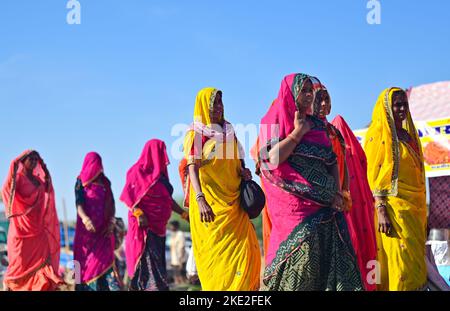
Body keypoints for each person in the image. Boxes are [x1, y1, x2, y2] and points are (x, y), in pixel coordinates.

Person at [257, 73, 363, 291]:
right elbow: (272, 160)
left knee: (327, 270)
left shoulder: (317, 124)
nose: (308, 95)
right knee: (301, 265)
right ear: (291, 92)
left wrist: (335, 192)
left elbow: (331, 160)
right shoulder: (270, 121)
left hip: (326, 208)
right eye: (303, 90)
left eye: (309, 90)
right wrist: (298, 131)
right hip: (294, 210)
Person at [182, 87, 261, 291]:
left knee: (247, 256)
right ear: (202, 107)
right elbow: (192, 167)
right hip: (211, 210)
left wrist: (244, 172)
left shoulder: (229, 130)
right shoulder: (196, 133)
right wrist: (200, 200)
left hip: (235, 206)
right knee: (218, 264)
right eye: (213, 103)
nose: (218, 107)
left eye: (220, 102)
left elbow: (237, 159)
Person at [313, 85, 378, 290]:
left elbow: (344, 171)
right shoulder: (309, 131)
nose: (324, 104)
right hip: (317, 207)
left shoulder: (335, 133)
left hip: (339, 205)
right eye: (319, 99)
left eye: (326, 99)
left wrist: (345, 193)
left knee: (347, 257)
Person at [365, 88, 427, 291]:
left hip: (415, 211)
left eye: (404, 104)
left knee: (415, 264)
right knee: (400, 264)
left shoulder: (410, 137)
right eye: (396, 105)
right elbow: (374, 174)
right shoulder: (379, 135)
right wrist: (381, 209)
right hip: (393, 211)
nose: (401, 109)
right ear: (386, 109)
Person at [121, 139, 189, 291]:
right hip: (145, 229)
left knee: (158, 265)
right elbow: (130, 197)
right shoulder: (136, 172)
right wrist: (139, 213)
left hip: (160, 229)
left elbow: (168, 201)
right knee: (148, 266)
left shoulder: (161, 177)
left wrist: (185, 215)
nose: (164, 156)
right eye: (160, 151)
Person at [1, 150, 63, 291]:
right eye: (31, 159)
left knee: (43, 264)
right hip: (21, 229)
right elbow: (6, 189)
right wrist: (13, 165)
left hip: (38, 230)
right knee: (19, 264)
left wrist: (46, 171)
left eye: (36, 159)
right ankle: (8, 285)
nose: (34, 161)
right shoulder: (18, 178)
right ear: (23, 161)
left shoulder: (38, 180)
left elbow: (48, 189)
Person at [73, 152, 121, 291]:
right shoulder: (80, 181)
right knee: (82, 266)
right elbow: (79, 203)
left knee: (108, 267)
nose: (97, 167)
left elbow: (111, 204)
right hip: (86, 234)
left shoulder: (105, 182)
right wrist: (85, 219)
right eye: (95, 163)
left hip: (104, 233)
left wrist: (112, 222)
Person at [168, 220, 186, 285]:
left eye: (171, 226)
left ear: (176, 226)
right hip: (174, 260)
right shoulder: (173, 234)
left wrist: (181, 259)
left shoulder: (180, 234)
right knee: (175, 275)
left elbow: (182, 247)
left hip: (180, 259)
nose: (170, 227)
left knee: (181, 275)